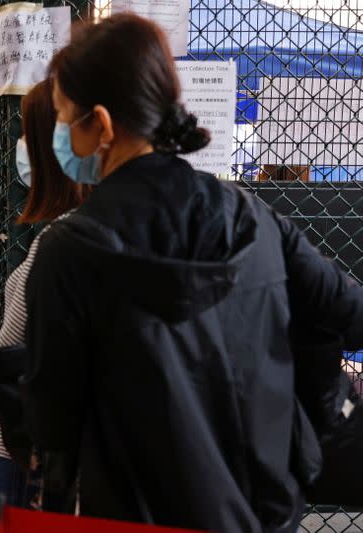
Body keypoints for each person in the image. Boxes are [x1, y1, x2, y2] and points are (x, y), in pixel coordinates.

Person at [22, 14, 363, 531]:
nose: (60, 136)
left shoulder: (68, 251)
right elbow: (349, 311)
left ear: (103, 125)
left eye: (66, 117)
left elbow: (54, 423)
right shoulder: (251, 217)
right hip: (263, 513)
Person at [0, 79, 89, 507]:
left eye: (30, 134)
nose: (23, 146)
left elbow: (9, 348)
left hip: (30, 445)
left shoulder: (64, 239)